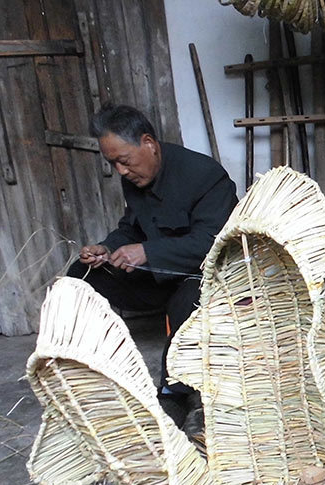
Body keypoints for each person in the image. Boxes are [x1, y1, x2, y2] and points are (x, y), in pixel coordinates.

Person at [68, 104, 238, 428]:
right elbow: (131, 227)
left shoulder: (205, 176)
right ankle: (92, 373)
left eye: (124, 160)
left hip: (203, 277)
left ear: (149, 143)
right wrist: (108, 248)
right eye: (112, 163)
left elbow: (213, 243)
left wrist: (147, 252)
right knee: (82, 274)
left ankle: (178, 392)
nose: (120, 171)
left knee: (187, 300)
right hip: (158, 276)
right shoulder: (135, 178)